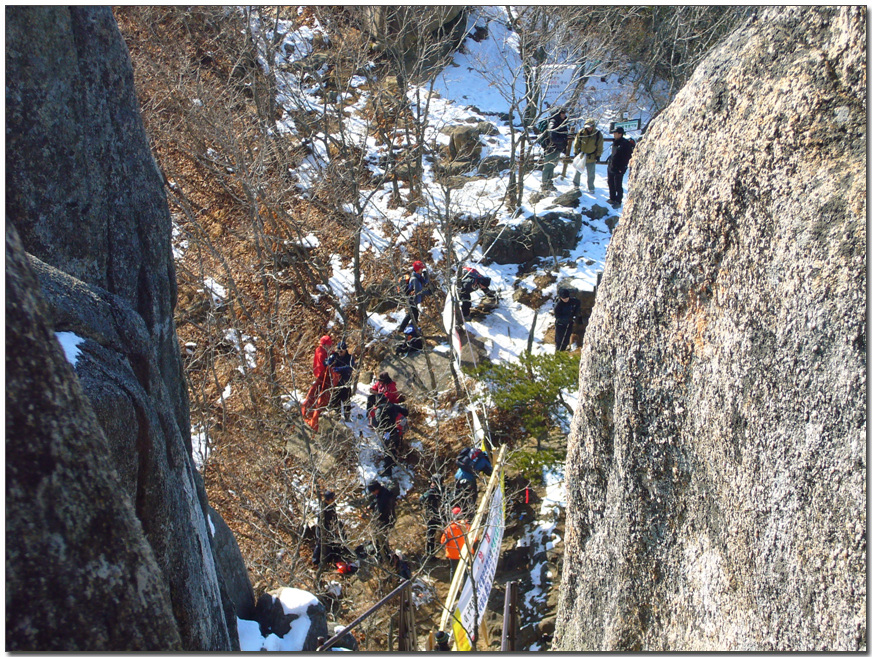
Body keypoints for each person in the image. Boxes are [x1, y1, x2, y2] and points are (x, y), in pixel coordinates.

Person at [367, 393, 409, 477]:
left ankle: (387, 471)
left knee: (387, 450)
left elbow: (378, 422)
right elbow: (405, 412)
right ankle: (393, 463)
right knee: (394, 447)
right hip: (396, 430)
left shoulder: (379, 409)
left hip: (387, 432)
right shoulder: (393, 406)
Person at [301, 335, 336, 431]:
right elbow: (323, 365)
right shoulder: (321, 352)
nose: (331, 346)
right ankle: (312, 417)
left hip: (322, 376)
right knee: (318, 397)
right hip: (322, 377)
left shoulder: (321, 350)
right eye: (329, 345)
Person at [312, 490, 346, 567]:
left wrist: (336, 528)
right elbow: (322, 523)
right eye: (332, 499)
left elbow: (334, 518)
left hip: (331, 529)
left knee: (332, 544)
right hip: (323, 529)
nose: (334, 500)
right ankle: (316, 561)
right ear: (327, 500)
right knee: (320, 545)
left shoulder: (332, 506)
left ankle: (332, 560)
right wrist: (329, 530)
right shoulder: (323, 509)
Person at [539, 107, 569, 192]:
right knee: (548, 166)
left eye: (564, 113)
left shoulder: (560, 122)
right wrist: (563, 139)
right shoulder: (553, 122)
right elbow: (553, 137)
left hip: (556, 148)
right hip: (551, 148)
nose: (564, 114)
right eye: (562, 113)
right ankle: (545, 184)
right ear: (558, 114)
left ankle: (549, 183)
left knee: (552, 165)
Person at [366, 480, 397, 559]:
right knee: (379, 539)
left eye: (373, 492)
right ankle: (382, 554)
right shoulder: (382, 492)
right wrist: (371, 506)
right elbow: (376, 500)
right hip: (385, 519)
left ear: (376, 489)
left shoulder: (385, 497)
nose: (372, 493)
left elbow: (381, 512)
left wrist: (372, 517)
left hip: (386, 520)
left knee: (381, 539)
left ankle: (385, 556)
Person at [571, 118, 603, 193]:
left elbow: (600, 146)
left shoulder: (598, 134)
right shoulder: (581, 133)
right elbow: (576, 143)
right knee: (578, 171)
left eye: (590, 126)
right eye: (587, 126)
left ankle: (591, 187)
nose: (589, 128)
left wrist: (598, 155)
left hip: (591, 156)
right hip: (582, 156)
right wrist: (576, 152)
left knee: (591, 173)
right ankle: (576, 185)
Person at [607, 126, 634, 207]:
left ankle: (618, 201)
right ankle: (612, 198)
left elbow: (627, 157)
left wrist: (621, 168)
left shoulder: (625, 144)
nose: (614, 134)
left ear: (620, 134)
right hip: (611, 166)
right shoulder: (615, 142)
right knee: (610, 182)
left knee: (618, 184)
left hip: (619, 167)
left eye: (615, 133)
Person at [327, 340, 355, 419]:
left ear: (345, 350)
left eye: (341, 351)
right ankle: (337, 414)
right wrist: (328, 361)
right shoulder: (335, 355)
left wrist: (339, 369)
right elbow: (327, 362)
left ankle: (347, 416)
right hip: (336, 381)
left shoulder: (350, 357)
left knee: (346, 399)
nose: (340, 353)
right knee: (336, 398)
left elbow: (350, 367)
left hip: (346, 380)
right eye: (339, 351)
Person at [398, 261, 429, 333]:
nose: (422, 270)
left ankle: (405, 330)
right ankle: (406, 330)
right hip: (412, 300)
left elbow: (425, 282)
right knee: (412, 315)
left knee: (412, 315)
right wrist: (429, 292)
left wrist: (426, 275)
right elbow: (418, 292)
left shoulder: (418, 277)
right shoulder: (414, 279)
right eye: (421, 269)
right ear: (418, 269)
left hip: (413, 299)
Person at [421, 475, 444, 556]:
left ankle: (430, 554)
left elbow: (421, 499)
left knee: (431, 536)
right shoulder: (443, 489)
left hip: (432, 515)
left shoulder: (431, 491)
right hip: (443, 514)